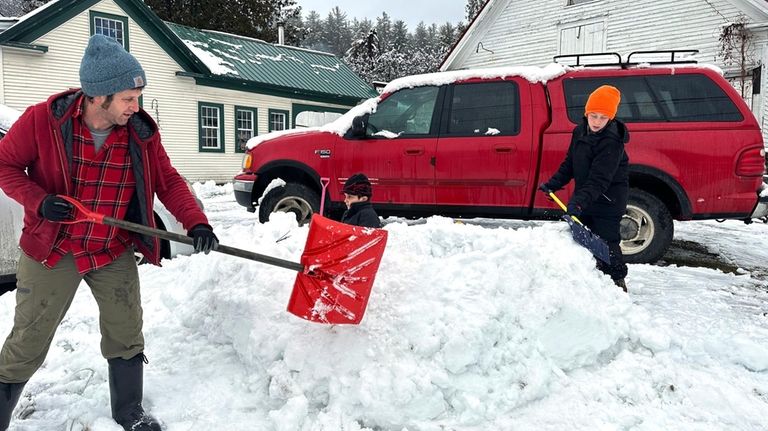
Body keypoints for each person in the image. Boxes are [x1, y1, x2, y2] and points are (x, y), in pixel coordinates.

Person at [0, 34, 219, 431]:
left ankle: (129, 412)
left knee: (126, 329)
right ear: (97, 96)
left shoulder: (139, 132)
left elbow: (167, 180)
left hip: (111, 247)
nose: (136, 107)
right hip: (55, 246)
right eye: (128, 99)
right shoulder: (42, 121)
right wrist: (39, 200)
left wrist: (196, 222)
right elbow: (5, 165)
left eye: (138, 97)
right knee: (28, 339)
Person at [539, 85, 630, 292]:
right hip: (587, 197)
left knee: (607, 243)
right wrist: (554, 183)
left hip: (608, 200)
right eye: (593, 116)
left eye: (603, 117)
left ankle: (618, 283)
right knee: (586, 242)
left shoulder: (612, 141)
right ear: (586, 113)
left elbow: (599, 179)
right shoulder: (579, 131)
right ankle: (593, 283)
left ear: (611, 119)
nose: (597, 122)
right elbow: (571, 162)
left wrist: (577, 202)